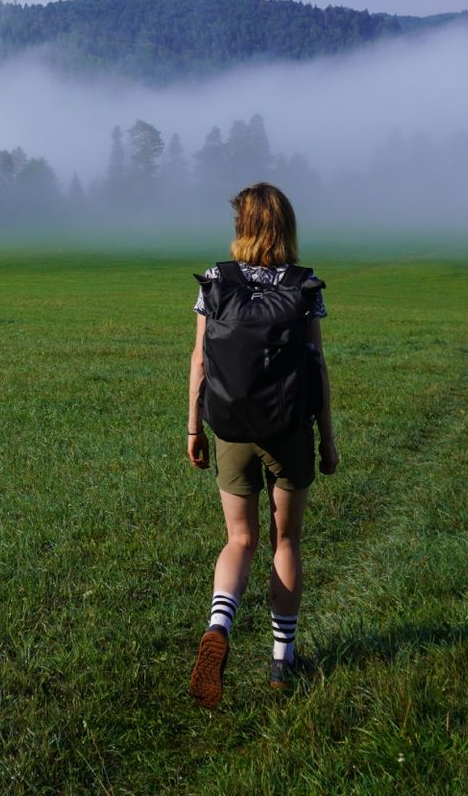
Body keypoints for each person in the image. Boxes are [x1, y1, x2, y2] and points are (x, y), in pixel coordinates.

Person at [185, 182, 338, 706]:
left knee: (239, 540)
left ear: (241, 228)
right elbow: (316, 367)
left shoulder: (215, 282)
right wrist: (329, 440)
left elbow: (201, 360)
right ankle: (281, 661)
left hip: (231, 428)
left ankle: (219, 627)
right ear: (285, 227)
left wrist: (193, 428)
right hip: (289, 430)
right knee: (286, 542)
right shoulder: (304, 285)